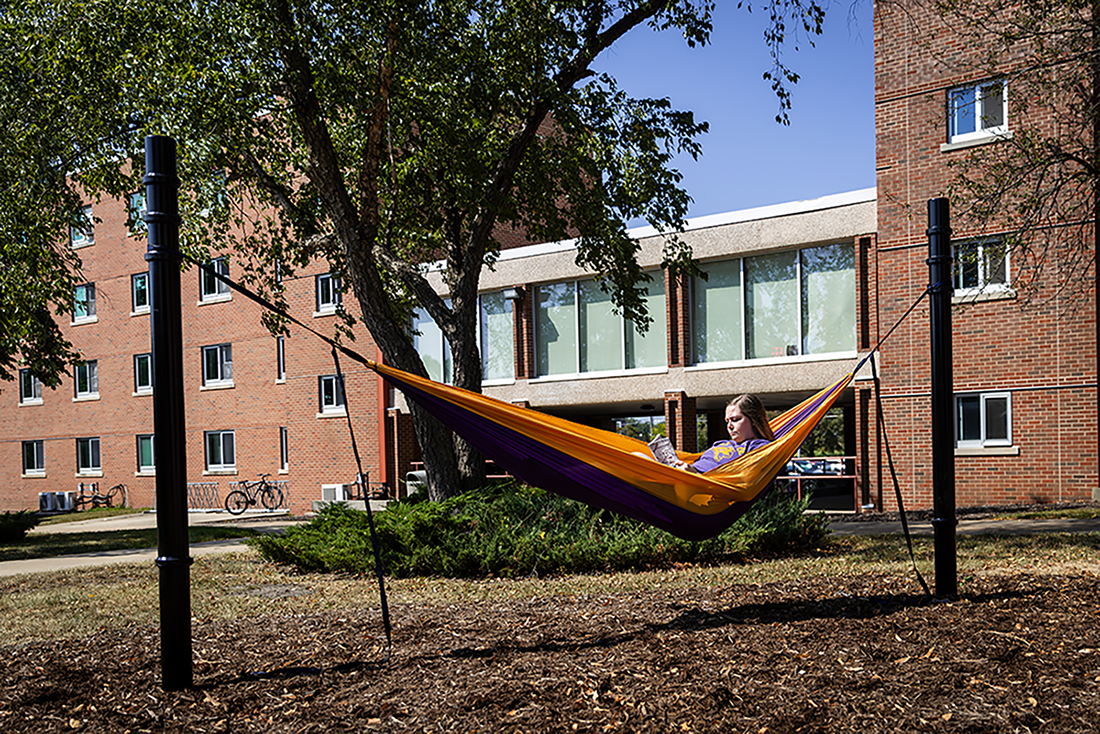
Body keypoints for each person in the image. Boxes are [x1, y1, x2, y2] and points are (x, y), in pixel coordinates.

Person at [673, 394, 775, 473]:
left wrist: (695, 475)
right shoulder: (721, 444)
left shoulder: (760, 448)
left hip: (699, 483)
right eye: (727, 421)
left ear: (753, 420)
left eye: (735, 420)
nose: (729, 426)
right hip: (684, 473)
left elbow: (739, 479)